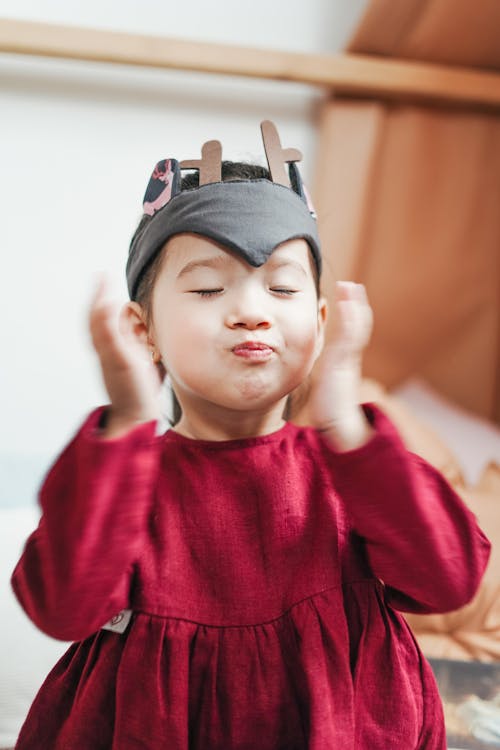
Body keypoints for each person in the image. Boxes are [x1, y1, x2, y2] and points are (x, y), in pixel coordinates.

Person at [11, 121, 490, 749]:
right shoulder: (123, 477)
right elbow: (61, 606)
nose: (251, 310)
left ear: (319, 323)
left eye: (283, 287)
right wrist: (127, 418)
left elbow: (449, 578)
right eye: (209, 287)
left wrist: (347, 424)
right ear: (141, 330)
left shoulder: (353, 466)